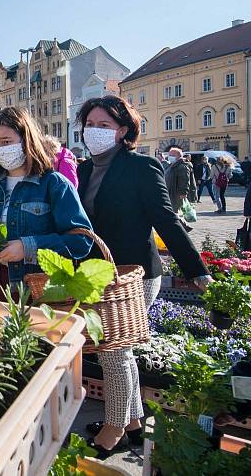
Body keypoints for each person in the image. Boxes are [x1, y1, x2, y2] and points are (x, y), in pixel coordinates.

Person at [75, 95, 212, 457]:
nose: (94, 132)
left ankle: (114, 428)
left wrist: (197, 271)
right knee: (120, 351)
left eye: (103, 126)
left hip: (136, 274)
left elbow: (166, 220)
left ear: (122, 131)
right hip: (101, 273)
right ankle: (133, 423)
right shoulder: (84, 170)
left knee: (113, 352)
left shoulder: (141, 167)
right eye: (89, 125)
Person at [0, 107, 92, 299]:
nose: (0, 149)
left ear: (26, 140)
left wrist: (28, 247)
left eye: (6, 142)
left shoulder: (54, 184)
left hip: (39, 288)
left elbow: (81, 241)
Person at [163, 147, 190, 213]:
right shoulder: (171, 165)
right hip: (169, 194)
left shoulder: (182, 167)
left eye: (172, 155)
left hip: (176, 196)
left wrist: (183, 194)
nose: (169, 157)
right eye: (169, 155)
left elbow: (184, 181)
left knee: (176, 214)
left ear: (179, 156)